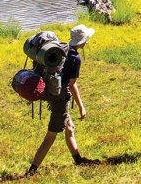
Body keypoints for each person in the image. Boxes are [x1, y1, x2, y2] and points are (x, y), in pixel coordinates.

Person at [27, 24, 98, 174]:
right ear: (83, 41)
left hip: (51, 91)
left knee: (70, 128)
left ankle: (79, 160)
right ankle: (32, 171)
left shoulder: (62, 49)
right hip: (60, 98)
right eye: (87, 40)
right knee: (51, 135)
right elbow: (72, 85)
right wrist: (81, 107)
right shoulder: (75, 58)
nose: (88, 42)